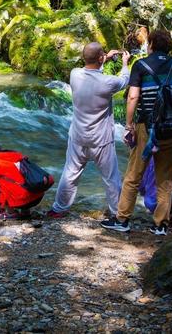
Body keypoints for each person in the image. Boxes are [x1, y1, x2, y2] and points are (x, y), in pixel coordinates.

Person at [102, 29, 172, 235]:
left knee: (133, 174)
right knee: (165, 178)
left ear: (150, 44)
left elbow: (133, 97)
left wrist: (129, 125)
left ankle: (122, 220)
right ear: (168, 47)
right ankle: (160, 225)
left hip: (147, 128)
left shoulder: (141, 65)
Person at [47, 43, 131, 218]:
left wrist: (103, 58)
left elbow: (92, 66)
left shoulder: (75, 75)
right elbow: (124, 79)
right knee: (111, 178)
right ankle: (117, 214)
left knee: (70, 174)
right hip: (101, 139)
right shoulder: (108, 82)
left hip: (78, 136)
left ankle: (59, 209)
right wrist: (124, 62)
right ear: (100, 58)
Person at [0, 140, 44, 219]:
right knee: (14, 180)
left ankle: (11, 212)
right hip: (37, 197)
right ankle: (25, 211)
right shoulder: (13, 155)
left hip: (23, 200)